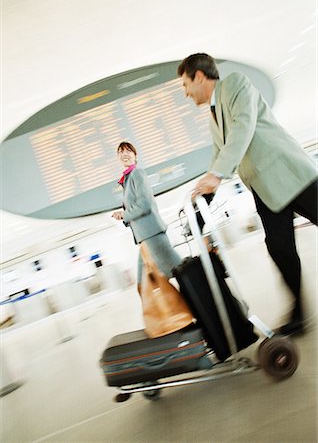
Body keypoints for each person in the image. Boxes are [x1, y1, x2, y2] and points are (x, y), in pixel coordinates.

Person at [177, 53, 317, 336]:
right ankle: (299, 315)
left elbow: (243, 127)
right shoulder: (213, 119)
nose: (186, 93)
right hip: (265, 190)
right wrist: (204, 192)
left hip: (289, 174)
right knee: (279, 248)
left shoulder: (236, 85)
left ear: (200, 76)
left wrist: (217, 174)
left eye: (185, 84)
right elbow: (219, 156)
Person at [112, 141, 182, 292]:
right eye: (120, 152)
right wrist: (123, 216)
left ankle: (209, 300)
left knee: (181, 273)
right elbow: (135, 206)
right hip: (146, 237)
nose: (124, 154)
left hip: (152, 236)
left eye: (127, 151)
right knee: (146, 284)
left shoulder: (137, 173)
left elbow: (144, 204)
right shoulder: (128, 179)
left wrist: (125, 214)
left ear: (135, 155)